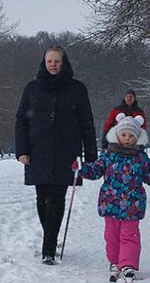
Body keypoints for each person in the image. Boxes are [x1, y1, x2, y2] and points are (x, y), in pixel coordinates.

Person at [15, 46, 98, 265]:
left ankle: (48, 248)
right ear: (44, 63)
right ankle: (49, 236)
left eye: (57, 61)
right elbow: (21, 121)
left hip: (66, 151)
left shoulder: (77, 89)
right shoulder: (32, 88)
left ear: (64, 63)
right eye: (50, 61)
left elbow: (86, 123)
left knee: (56, 199)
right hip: (37, 150)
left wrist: (91, 156)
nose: (53, 65)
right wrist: (22, 151)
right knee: (42, 199)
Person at [75, 113, 150, 283]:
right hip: (110, 202)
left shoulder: (141, 158)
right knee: (111, 236)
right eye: (124, 135)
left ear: (137, 138)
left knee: (130, 236)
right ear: (117, 135)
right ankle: (115, 261)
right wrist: (81, 168)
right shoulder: (108, 155)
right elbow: (95, 171)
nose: (127, 139)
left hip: (133, 204)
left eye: (131, 136)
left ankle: (127, 264)